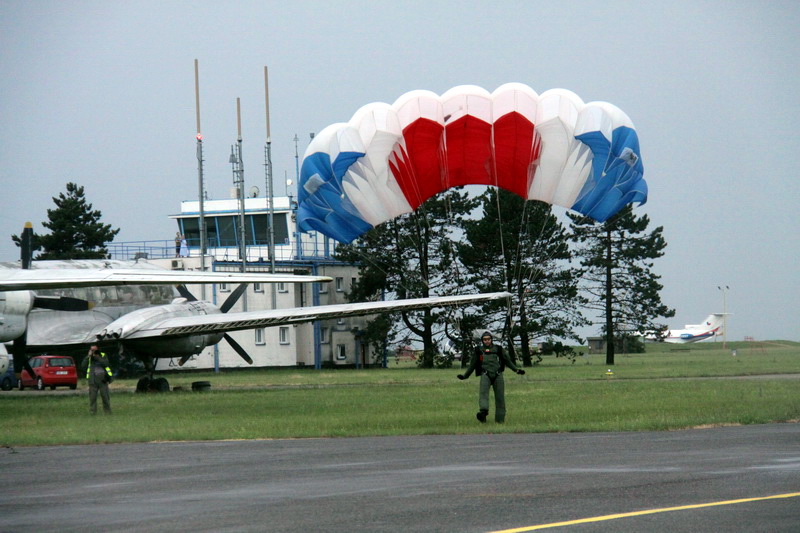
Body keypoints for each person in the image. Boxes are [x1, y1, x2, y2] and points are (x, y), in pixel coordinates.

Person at [457, 331, 524, 423]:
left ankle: (500, 420)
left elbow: (507, 361)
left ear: (491, 339)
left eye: (488, 339)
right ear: (482, 340)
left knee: (500, 398)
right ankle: (483, 412)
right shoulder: (478, 350)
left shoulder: (499, 349)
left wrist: (516, 370)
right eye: (485, 340)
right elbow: (472, 365)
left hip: (498, 374)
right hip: (485, 374)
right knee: (483, 394)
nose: (487, 341)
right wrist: (465, 376)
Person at [86, 345, 113, 415]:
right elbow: (83, 365)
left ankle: (107, 412)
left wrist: (97, 357)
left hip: (102, 379)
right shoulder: (89, 357)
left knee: (105, 397)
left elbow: (106, 364)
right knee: (92, 398)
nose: (93, 351)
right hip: (92, 379)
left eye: (94, 350)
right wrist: (88, 356)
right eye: (92, 350)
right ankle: (93, 412)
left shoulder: (103, 355)